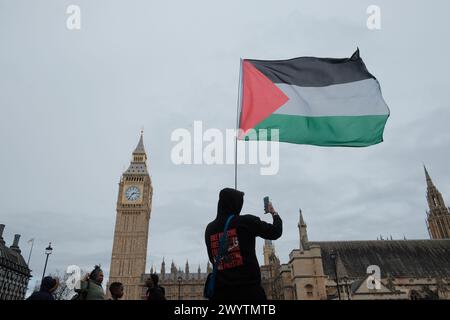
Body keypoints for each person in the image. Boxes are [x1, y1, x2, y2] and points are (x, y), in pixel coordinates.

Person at [204, 188, 282, 300]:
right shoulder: (246, 222)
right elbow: (276, 231)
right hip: (249, 293)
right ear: (237, 204)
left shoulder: (209, 229)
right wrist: (273, 212)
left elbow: (213, 258)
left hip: (220, 294)